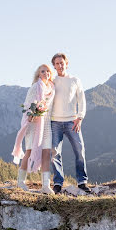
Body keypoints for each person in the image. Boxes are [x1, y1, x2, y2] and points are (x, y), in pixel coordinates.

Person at [12, 64, 55, 194]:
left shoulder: (52, 88)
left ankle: (46, 185)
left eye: (47, 71)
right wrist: (31, 114)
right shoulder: (35, 88)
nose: (46, 73)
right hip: (33, 124)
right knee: (29, 152)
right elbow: (27, 106)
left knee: (46, 153)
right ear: (38, 74)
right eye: (43, 71)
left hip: (46, 125)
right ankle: (20, 182)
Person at [50, 53, 90, 194]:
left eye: (62, 63)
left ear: (66, 63)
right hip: (55, 121)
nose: (60, 65)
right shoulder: (52, 81)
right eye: (57, 63)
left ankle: (82, 182)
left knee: (80, 150)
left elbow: (82, 100)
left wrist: (80, 118)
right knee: (54, 152)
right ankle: (58, 183)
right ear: (54, 66)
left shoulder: (75, 80)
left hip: (72, 121)